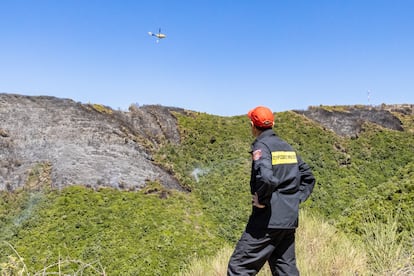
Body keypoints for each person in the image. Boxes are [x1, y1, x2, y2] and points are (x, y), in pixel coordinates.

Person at [227, 106, 316, 276]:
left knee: (239, 267)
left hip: (267, 220)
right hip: (288, 219)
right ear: (272, 123)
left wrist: (262, 199)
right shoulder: (287, 147)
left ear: (253, 125)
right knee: (285, 268)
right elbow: (308, 176)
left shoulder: (262, 146)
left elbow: (267, 178)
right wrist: (295, 199)